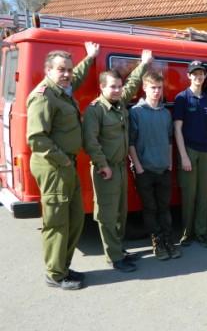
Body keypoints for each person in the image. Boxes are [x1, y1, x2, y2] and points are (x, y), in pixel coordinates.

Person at [27, 42, 100, 290]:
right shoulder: (43, 96)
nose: (67, 73)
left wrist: (89, 58)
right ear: (48, 70)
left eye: (69, 69)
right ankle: (55, 274)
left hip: (65, 166)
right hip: (55, 167)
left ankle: (63, 266)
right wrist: (64, 159)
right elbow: (36, 138)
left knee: (75, 218)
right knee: (58, 223)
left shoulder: (62, 90)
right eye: (61, 69)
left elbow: (76, 77)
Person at [82, 50, 153, 272]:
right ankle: (114, 257)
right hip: (107, 170)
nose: (117, 89)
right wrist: (103, 165)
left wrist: (143, 64)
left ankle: (119, 249)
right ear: (102, 87)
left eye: (118, 86)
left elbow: (132, 84)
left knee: (121, 212)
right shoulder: (96, 110)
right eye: (112, 86)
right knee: (107, 214)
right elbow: (90, 142)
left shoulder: (120, 102)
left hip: (121, 168)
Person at [128, 71, 181, 261]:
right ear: (144, 88)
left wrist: (169, 164)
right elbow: (130, 142)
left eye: (159, 88)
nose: (157, 92)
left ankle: (168, 240)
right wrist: (139, 168)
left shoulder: (166, 113)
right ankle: (157, 242)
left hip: (163, 169)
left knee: (165, 208)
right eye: (153, 88)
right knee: (150, 209)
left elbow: (169, 140)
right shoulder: (135, 112)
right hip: (145, 171)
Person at [174, 60, 207, 248]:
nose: (199, 77)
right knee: (189, 195)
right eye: (195, 73)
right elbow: (177, 128)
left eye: (202, 74)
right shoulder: (182, 98)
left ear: (205, 76)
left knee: (202, 195)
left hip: (205, 151)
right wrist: (183, 156)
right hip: (189, 150)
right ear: (189, 75)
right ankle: (186, 233)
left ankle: (201, 232)